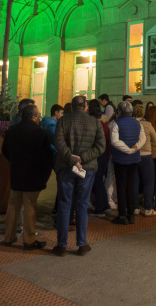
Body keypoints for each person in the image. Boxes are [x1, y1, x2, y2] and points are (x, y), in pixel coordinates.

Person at [52, 95, 106, 256]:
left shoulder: (63, 121)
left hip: (66, 167)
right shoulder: (95, 122)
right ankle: (82, 244)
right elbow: (101, 146)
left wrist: (72, 159)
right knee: (82, 205)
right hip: (86, 169)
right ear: (86, 107)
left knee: (64, 204)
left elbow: (58, 142)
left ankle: (61, 245)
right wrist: (83, 158)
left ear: (71, 106)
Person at [1, 104, 53, 249]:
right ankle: (29, 239)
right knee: (30, 205)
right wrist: (45, 172)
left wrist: (14, 161)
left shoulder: (12, 130)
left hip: (16, 173)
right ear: (34, 117)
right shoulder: (39, 132)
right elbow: (47, 155)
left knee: (13, 204)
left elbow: (5, 150)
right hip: (33, 174)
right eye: (38, 115)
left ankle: (8, 237)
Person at [110, 101, 146, 225]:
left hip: (120, 159)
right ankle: (131, 215)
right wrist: (135, 148)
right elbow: (143, 139)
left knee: (121, 187)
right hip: (134, 159)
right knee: (131, 186)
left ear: (120, 111)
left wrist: (128, 150)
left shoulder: (116, 123)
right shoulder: (137, 123)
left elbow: (114, 141)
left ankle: (122, 215)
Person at [132, 104, 156, 216]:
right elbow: (155, 138)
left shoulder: (131, 124)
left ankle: (135, 208)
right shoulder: (147, 124)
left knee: (134, 182)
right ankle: (148, 208)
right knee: (148, 183)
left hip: (134, 155)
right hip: (146, 155)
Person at [88, 99, 112, 217]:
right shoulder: (105, 126)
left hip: (97, 157)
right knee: (99, 181)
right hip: (105, 156)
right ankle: (104, 205)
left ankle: (101, 207)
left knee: (97, 182)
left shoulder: (95, 127)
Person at [41, 103, 64, 222]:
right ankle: (57, 209)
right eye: (62, 113)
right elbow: (56, 140)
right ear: (56, 112)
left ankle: (56, 208)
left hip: (51, 154)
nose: (63, 115)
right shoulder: (51, 125)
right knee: (62, 181)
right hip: (54, 154)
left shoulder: (46, 123)